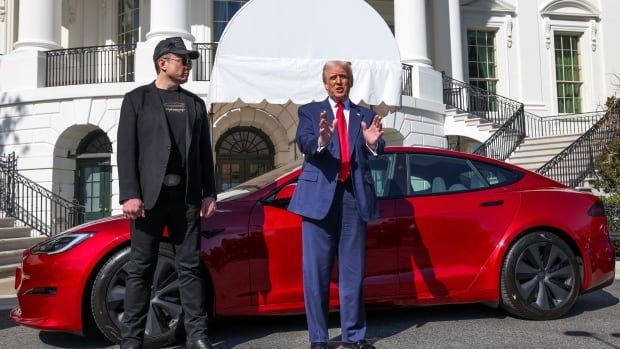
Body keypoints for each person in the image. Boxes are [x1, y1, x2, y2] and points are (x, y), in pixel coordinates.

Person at [117, 36, 217, 349]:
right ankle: (131, 338)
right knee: (140, 269)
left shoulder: (194, 104)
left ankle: (197, 335)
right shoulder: (137, 99)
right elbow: (126, 151)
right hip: (147, 199)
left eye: (189, 60)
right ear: (163, 62)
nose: (187, 65)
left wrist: (209, 192)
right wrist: (129, 194)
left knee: (189, 269)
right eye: (181, 59)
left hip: (186, 198)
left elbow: (204, 153)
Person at [288, 60, 385, 349]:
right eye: (333, 78)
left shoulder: (365, 114)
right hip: (318, 202)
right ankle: (318, 339)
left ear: (350, 82)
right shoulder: (309, 111)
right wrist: (321, 139)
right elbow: (304, 142)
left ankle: (353, 336)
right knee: (315, 273)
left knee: (353, 272)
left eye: (343, 77)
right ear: (325, 83)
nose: (339, 82)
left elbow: (378, 147)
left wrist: (370, 143)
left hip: (353, 199)